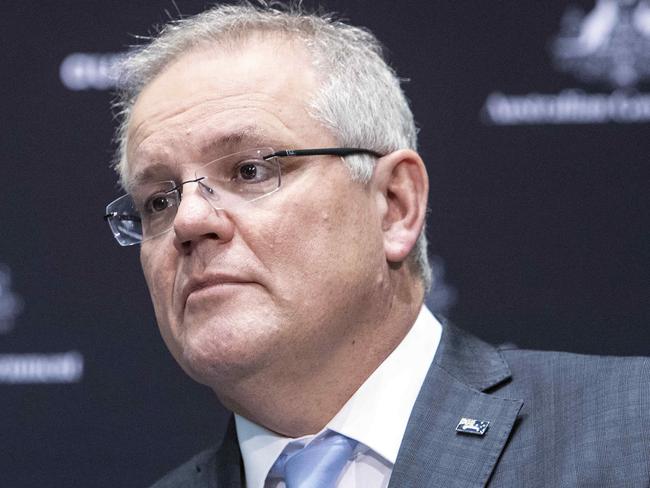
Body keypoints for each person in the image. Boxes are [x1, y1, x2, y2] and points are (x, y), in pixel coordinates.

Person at [103, 3, 650, 487]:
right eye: (157, 201)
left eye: (250, 170)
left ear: (394, 205)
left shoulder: (630, 428)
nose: (189, 221)